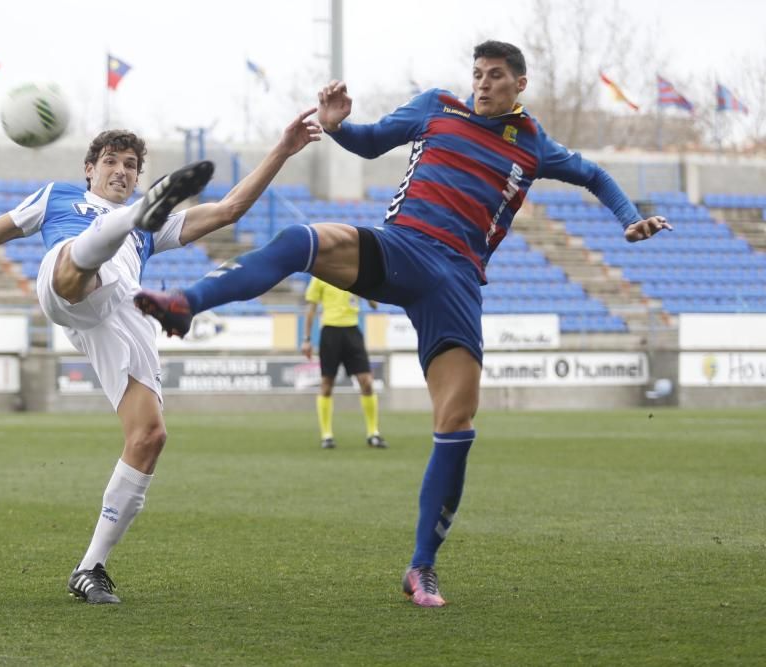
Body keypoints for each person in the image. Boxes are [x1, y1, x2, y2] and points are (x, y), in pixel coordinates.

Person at [134, 40, 672, 608]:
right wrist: (338, 126)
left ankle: (421, 567)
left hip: (456, 281)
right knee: (303, 240)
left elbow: (594, 175)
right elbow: (368, 143)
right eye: (477, 74)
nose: (482, 83)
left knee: (457, 424)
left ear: (519, 84)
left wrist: (629, 219)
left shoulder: (533, 142)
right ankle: (186, 304)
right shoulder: (437, 107)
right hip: (403, 247)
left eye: (494, 76)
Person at [0, 108, 322, 605]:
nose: (121, 170)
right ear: (89, 169)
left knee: (149, 436)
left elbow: (229, 210)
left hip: (123, 313)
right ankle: (117, 227)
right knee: (82, 263)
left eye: (131, 165)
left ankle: (90, 568)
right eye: (111, 161)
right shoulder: (57, 197)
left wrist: (283, 148)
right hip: (66, 279)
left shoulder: (155, 230)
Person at [301, 277, 387, 450]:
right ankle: (326, 435)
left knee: (367, 382)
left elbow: (375, 305)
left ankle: (373, 433)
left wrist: (367, 292)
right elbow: (311, 309)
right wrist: (307, 339)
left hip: (352, 331)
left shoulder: (355, 272)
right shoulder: (320, 275)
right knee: (326, 384)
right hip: (330, 333)